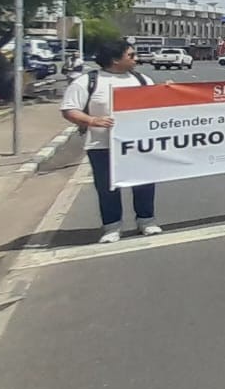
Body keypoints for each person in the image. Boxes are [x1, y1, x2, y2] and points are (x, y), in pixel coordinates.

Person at [59, 41, 156, 243]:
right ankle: (112, 227)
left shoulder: (141, 79)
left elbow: (157, 102)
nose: (135, 58)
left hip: (137, 143)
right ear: (115, 60)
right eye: (131, 55)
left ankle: (146, 221)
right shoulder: (87, 82)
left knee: (144, 183)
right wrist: (92, 120)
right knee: (107, 188)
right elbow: (69, 109)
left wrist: (170, 91)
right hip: (102, 146)